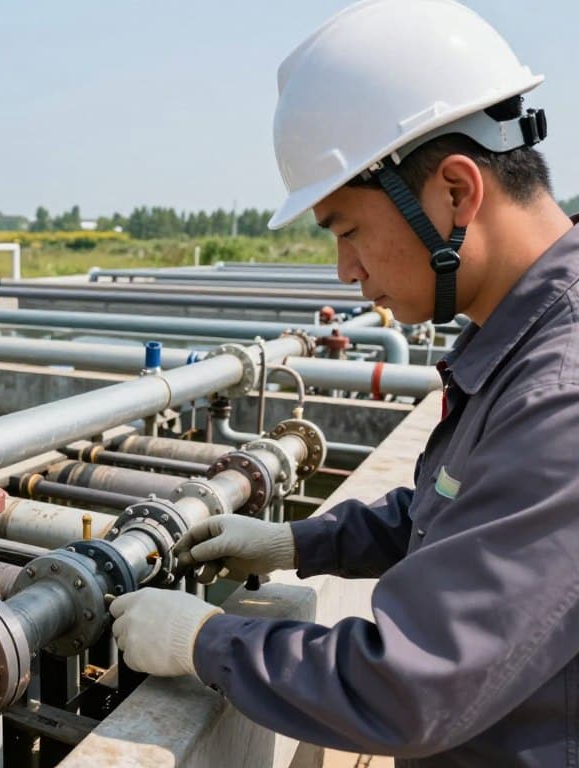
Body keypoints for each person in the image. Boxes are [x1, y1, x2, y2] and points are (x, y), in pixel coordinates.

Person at [109, 1, 579, 764]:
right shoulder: (524, 340)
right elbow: (456, 512)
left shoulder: (561, 390)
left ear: (457, 194)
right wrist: (296, 540)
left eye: (348, 230)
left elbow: (409, 686)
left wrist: (204, 640)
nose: (346, 274)